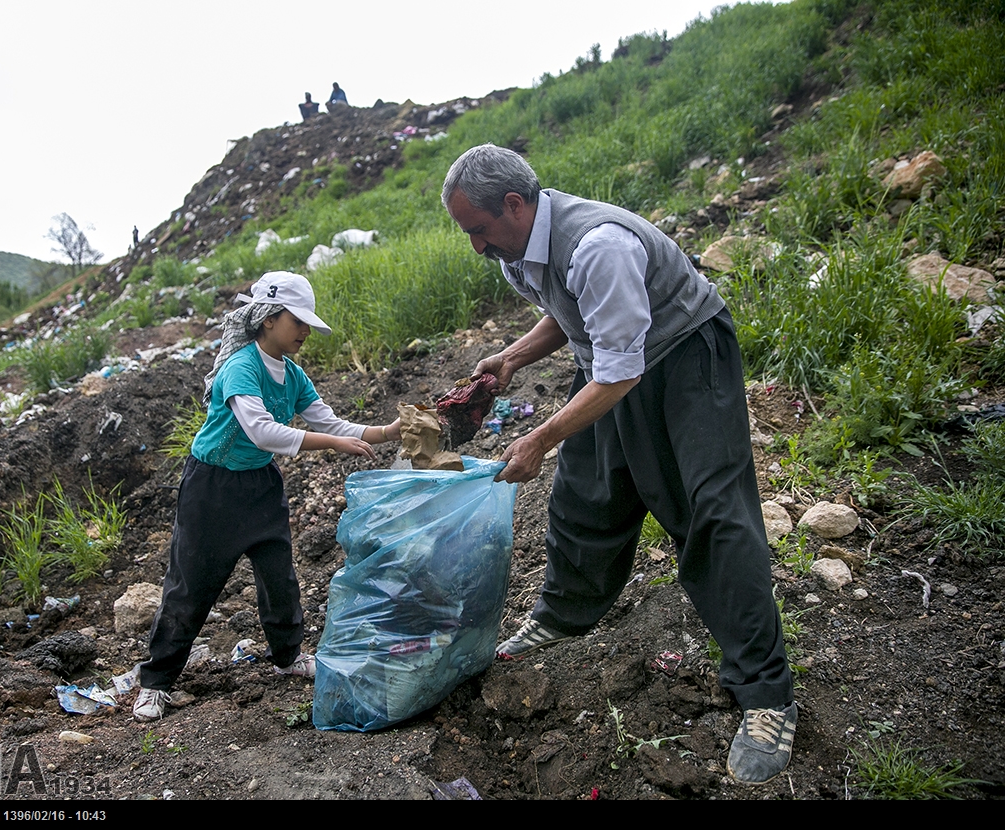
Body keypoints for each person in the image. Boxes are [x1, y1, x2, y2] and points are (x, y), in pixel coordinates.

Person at [441, 143, 796, 786]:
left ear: (515, 205)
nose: (476, 246)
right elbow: (570, 311)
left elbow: (620, 367)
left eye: (479, 230)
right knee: (589, 492)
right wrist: (513, 357)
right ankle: (561, 615)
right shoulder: (520, 249)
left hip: (686, 355)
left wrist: (539, 438)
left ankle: (768, 696)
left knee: (712, 515)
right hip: (616, 363)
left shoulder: (597, 244)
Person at [133, 271, 403, 722]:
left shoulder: (293, 375)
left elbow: (331, 422)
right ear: (267, 319)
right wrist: (333, 445)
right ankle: (155, 681)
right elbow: (260, 431)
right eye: (297, 321)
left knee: (279, 578)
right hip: (212, 489)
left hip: (260, 487)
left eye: (306, 324)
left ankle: (287, 657)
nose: (303, 332)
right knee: (191, 586)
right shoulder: (241, 366)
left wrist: (389, 431)